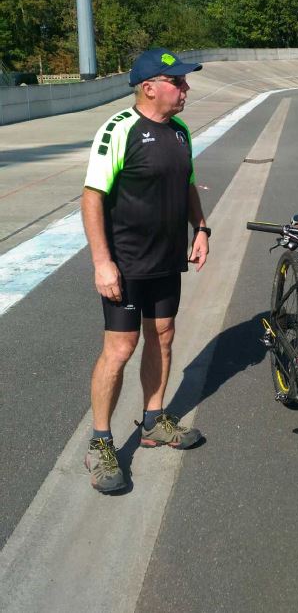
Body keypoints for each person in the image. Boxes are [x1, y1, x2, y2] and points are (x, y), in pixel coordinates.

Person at [82, 48, 210, 492]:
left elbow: (188, 182)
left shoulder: (179, 133)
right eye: (177, 81)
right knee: (120, 348)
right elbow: (92, 196)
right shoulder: (119, 130)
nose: (185, 88)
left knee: (164, 335)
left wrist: (202, 227)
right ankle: (100, 441)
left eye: (184, 81)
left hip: (166, 260)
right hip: (126, 263)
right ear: (149, 87)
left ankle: (154, 420)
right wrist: (103, 262)